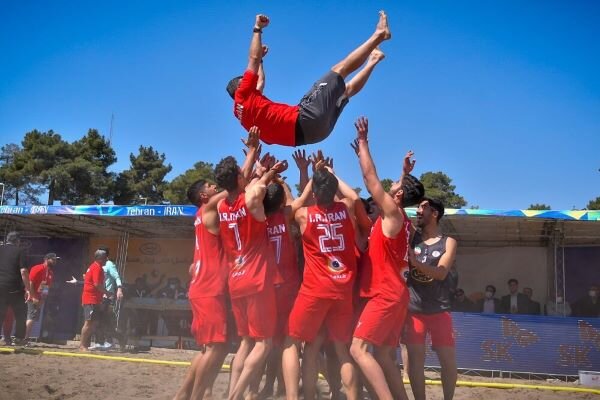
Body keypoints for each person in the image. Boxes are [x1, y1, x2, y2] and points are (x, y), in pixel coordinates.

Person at [226, 11, 391, 147]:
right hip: (305, 118)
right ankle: (379, 35)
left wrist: (261, 61)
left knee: (344, 92)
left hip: (315, 135)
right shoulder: (244, 92)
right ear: (240, 86)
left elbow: (260, 82)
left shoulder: (242, 115)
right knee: (338, 71)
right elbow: (252, 60)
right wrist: (257, 29)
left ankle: (374, 59)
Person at [348, 117, 423, 400]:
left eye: (397, 183)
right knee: (383, 356)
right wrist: (404, 174)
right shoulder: (404, 220)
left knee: (358, 349)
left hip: (384, 294)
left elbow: (370, 179)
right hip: (396, 294)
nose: (391, 183)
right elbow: (398, 191)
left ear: (400, 195)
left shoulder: (391, 213)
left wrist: (365, 142)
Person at [215, 141, 287, 400]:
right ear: (238, 177)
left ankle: (233, 392)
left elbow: (248, 182)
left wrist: (259, 165)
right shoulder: (252, 198)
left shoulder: (221, 205)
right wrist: (271, 171)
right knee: (264, 343)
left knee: (245, 342)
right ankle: (235, 396)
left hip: (235, 280)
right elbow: (257, 188)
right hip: (256, 280)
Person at [282, 166, 361, 400]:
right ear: (334, 188)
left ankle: (297, 397)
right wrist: (331, 172)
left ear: (315, 193)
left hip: (314, 290)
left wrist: (311, 182)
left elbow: (292, 207)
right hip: (343, 288)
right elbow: (354, 197)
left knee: (293, 343)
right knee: (341, 350)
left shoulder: (305, 215)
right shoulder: (346, 209)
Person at [174, 178, 230, 400]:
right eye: (209, 185)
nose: (214, 185)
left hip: (202, 287)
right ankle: (195, 396)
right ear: (203, 196)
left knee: (213, 348)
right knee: (215, 347)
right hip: (209, 288)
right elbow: (233, 189)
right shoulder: (207, 209)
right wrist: (252, 157)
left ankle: (187, 394)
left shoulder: (200, 217)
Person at [405, 198, 458, 400]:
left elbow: (441, 273)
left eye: (422, 207)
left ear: (434, 213)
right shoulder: (411, 238)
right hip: (414, 310)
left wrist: (415, 263)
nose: (418, 211)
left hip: (439, 310)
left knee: (448, 362)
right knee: (415, 362)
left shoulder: (449, 242)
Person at [257, 179, 301, 399]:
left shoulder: (258, 219)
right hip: (288, 285)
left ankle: (260, 389)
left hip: (266, 287)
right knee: (288, 344)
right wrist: (284, 183)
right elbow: (295, 202)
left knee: (264, 345)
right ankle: (284, 390)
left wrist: (264, 175)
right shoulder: (285, 217)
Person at [0, 231, 31, 346]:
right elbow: (23, 271)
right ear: (17, 241)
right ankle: (18, 338)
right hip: (14, 287)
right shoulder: (20, 251)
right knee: (21, 313)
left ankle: (6, 339)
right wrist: (28, 289)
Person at [79, 249, 113, 351]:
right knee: (88, 323)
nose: (107, 259)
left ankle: (85, 344)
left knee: (94, 323)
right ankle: (82, 346)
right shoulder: (96, 268)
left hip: (95, 299)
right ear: (100, 258)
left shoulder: (96, 267)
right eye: (105, 257)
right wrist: (107, 293)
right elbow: (97, 284)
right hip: (91, 299)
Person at [94, 246, 125, 349]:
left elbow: (117, 277)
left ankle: (112, 340)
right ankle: (101, 342)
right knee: (98, 320)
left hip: (106, 297)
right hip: (97, 297)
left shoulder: (109, 264)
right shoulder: (97, 265)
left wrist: (119, 289)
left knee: (104, 320)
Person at [25, 253, 59, 341]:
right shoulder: (38, 268)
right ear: (47, 259)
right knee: (31, 317)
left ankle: (25, 337)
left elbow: (46, 287)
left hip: (39, 298)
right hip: (30, 296)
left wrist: (42, 299)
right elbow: (30, 283)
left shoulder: (50, 272)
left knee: (33, 317)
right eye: (53, 259)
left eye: (56, 260)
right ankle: (24, 338)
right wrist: (33, 297)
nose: (55, 262)